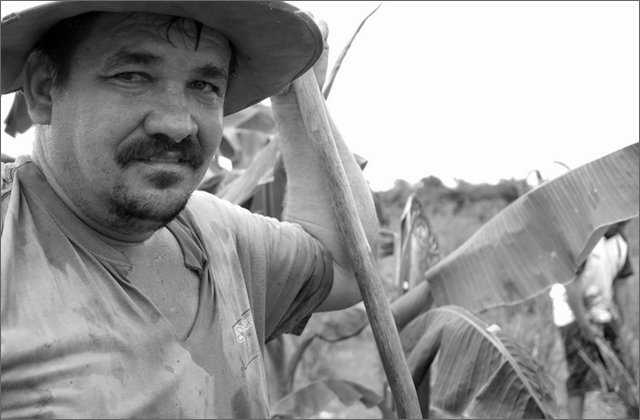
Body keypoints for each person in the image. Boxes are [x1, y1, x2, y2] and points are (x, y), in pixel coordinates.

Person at [0, 2, 378, 418]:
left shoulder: (218, 234)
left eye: (204, 85)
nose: (178, 124)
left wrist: (292, 102)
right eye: (132, 76)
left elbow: (344, 266)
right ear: (42, 88)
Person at [549, 220, 634, 418]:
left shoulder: (621, 241)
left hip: (601, 310)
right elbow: (571, 285)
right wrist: (584, 325)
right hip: (571, 311)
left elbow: (621, 283)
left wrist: (624, 324)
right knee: (578, 373)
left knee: (623, 370)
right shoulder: (586, 238)